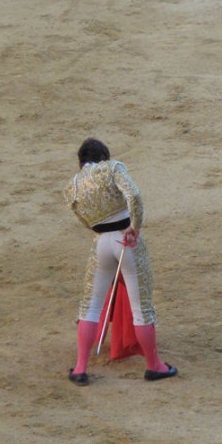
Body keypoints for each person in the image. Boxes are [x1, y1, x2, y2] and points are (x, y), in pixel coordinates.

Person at [63, 137, 177, 386]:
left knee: (90, 307)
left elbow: (83, 219)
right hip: (127, 241)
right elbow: (134, 195)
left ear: (81, 161)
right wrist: (134, 226)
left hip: (100, 242)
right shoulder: (112, 167)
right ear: (103, 156)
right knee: (141, 308)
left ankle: (81, 368)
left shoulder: (72, 185)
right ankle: (154, 366)